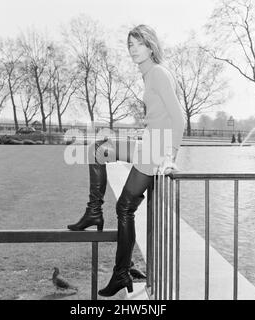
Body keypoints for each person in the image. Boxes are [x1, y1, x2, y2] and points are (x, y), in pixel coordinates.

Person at [67, 24, 185, 297]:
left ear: (150, 45)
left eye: (138, 44)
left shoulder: (157, 73)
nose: (133, 49)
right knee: (98, 150)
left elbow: (178, 118)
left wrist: (171, 155)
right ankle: (94, 211)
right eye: (130, 45)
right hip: (148, 143)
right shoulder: (151, 74)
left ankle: (121, 273)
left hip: (155, 149)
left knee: (124, 208)